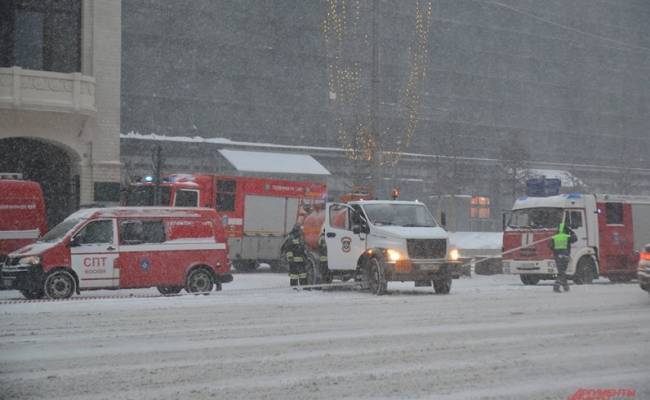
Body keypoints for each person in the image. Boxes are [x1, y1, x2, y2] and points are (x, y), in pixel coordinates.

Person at [549, 222, 577, 292]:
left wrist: (556, 250)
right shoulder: (567, 237)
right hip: (565, 256)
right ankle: (556, 286)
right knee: (562, 272)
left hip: (557, 257)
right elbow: (575, 238)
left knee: (561, 271)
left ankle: (566, 286)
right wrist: (571, 231)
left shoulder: (554, 237)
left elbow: (550, 246)